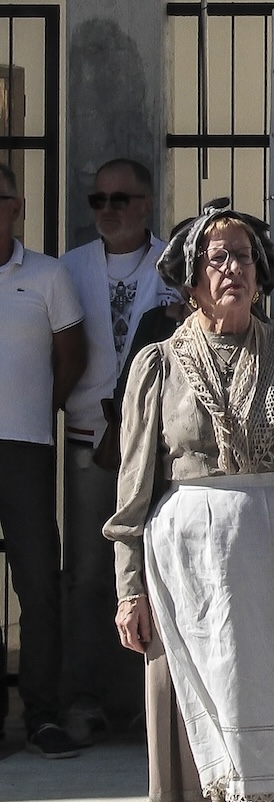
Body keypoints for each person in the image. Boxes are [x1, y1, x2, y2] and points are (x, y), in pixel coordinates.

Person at [103, 199, 274, 802]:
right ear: (192, 279)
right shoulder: (158, 365)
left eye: (242, 257)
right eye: (216, 259)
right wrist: (129, 588)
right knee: (186, 708)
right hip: (183, 568)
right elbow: (134, 490)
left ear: (261, 270)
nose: (232, 270)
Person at [60, 157, 180, 745]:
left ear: (146, 204)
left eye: (121, 199)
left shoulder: (173, 269)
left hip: (153, 447)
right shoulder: (67, 268)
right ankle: (83, 699)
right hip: (90, 440)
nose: (109, 209)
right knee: (86, 575)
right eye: (99, 200)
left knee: (153, 574)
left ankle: (145, 702)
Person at [0, 162, 87, 758]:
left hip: (25, 448)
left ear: (18, 205)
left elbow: (71, 359)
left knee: (38, 586)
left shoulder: (49, 276)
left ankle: (42, 715)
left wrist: (38, 410)